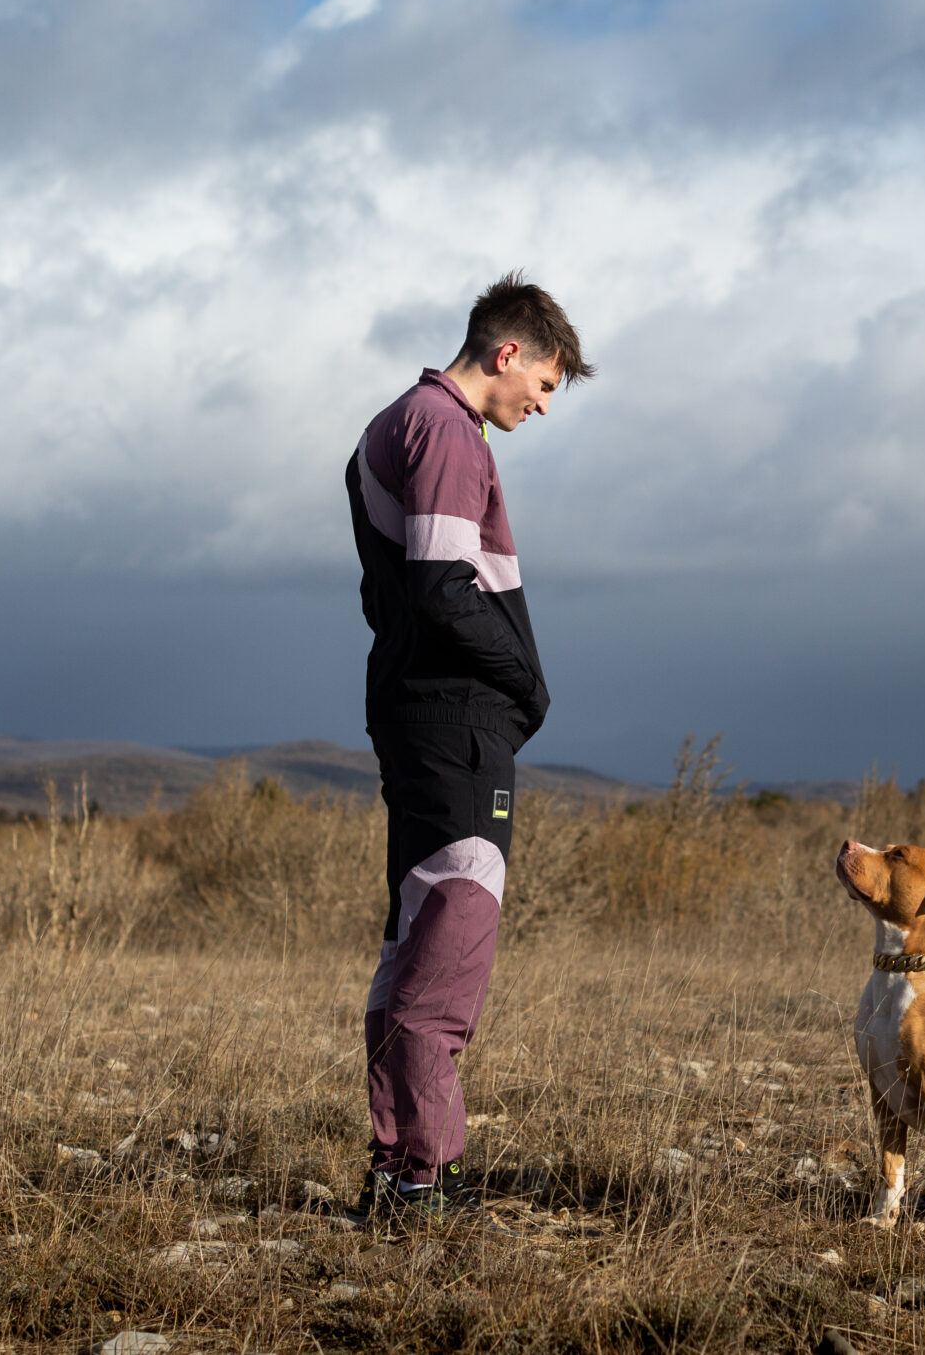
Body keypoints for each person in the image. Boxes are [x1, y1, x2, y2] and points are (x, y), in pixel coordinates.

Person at [344, 272, 594, 1220]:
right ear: (508, 352)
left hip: (419, 716)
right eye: (544, 384)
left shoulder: (392, 425)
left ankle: (394, 1165)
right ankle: (426, 1178)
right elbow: (445, 586)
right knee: (450, 938)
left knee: (413, 937)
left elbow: (394, 599)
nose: (541, 404)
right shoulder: (446, 429)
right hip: (455, 726)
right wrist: (528, 683)